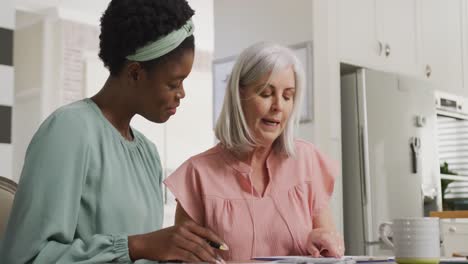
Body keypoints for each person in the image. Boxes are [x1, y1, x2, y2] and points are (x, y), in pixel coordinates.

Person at [0, 0, 227, 263]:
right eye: (174, 83)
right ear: (134, 73)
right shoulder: (69, 131)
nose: (182, 94)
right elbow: (26, 257)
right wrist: (138, 245)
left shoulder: (148, 153)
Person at [164, 42, 345, 260]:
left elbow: (331, 252)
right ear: (239, 95)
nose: (278, 105)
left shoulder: (307, 161)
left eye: (288, 96)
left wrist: (322, 243)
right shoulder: (197, 174)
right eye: (266, 93)